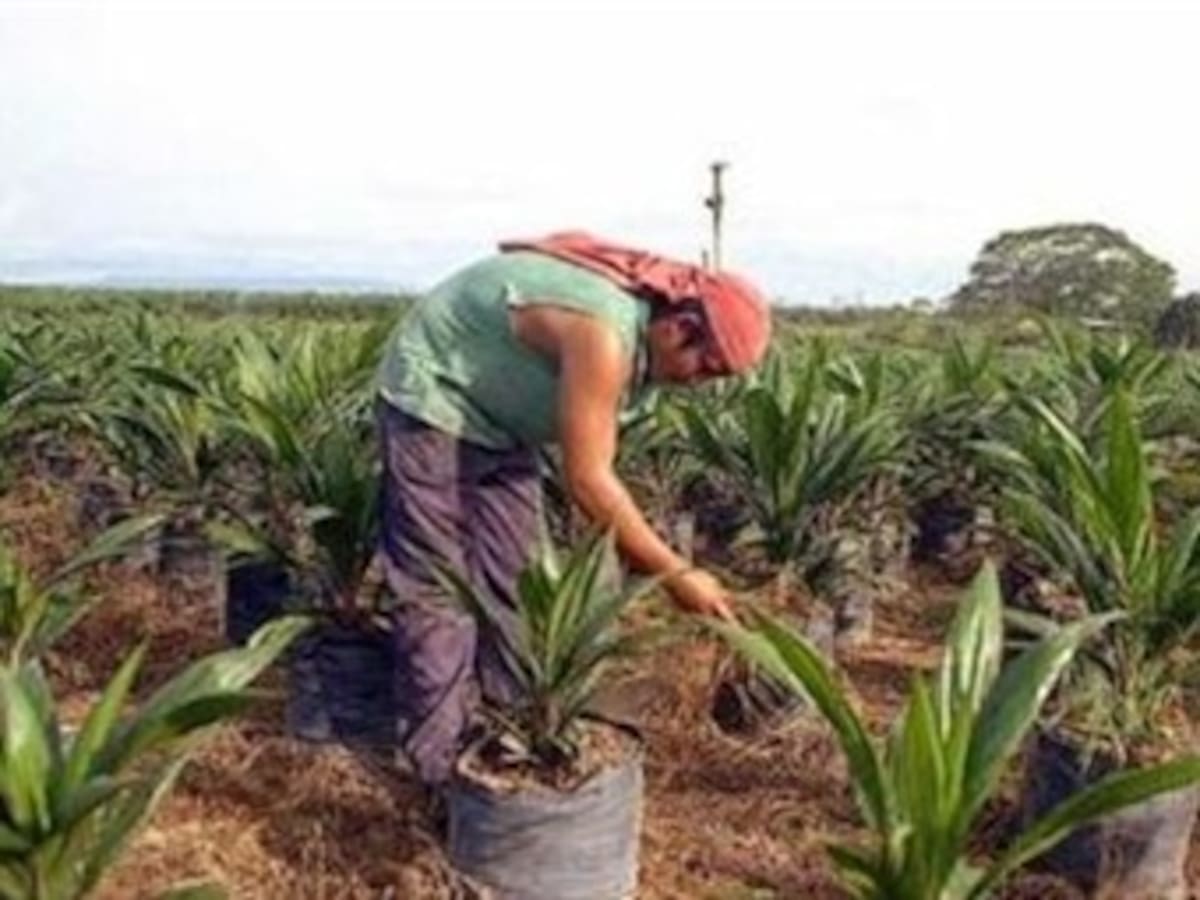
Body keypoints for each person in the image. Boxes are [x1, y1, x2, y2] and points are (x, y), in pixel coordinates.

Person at [376, 230, 772, 784]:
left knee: (519, 582)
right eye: (707, 369)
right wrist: (677, 575)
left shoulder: (644, 353)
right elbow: (587, 481)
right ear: (679, 327)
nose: (700, 385)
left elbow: (600, 483)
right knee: (439, 589)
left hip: (502, 425)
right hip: (436, 395)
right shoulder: (604, 336)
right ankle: (438, 770)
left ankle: (513, 728)